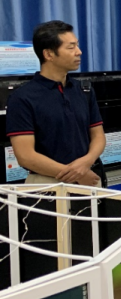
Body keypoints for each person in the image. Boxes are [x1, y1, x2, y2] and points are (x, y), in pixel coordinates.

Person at [6, 21, 105, 186]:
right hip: (47, 184)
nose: (79, 52)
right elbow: (25, 156)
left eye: (77, 45)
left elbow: (98, 136)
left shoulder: (84, 90)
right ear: (49, 54)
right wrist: (75, 174)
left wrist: (86, 163)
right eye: (71, 47)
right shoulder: (22, 98)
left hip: (88, 177)